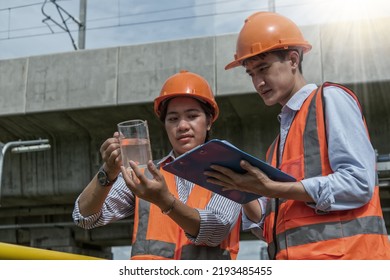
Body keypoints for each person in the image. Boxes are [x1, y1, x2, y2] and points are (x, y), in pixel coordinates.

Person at [204, 11, 390, 259]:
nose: (258, 82)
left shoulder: (330, 99)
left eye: (263, 68)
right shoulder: (275, 147)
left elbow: (359, 183)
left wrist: (276, 187)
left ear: (293, 60)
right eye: (251, 74)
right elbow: (273, 227)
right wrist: (238, 189)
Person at [72, 70, 241, 260]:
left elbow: (215, 231)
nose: (182, 126)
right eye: (173, 119)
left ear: (209, 121)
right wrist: (107, 172)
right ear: (165, 125)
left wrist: (164, 201)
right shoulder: (147, 173)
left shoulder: (228, 171)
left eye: (192, 116)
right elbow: (85, 217)